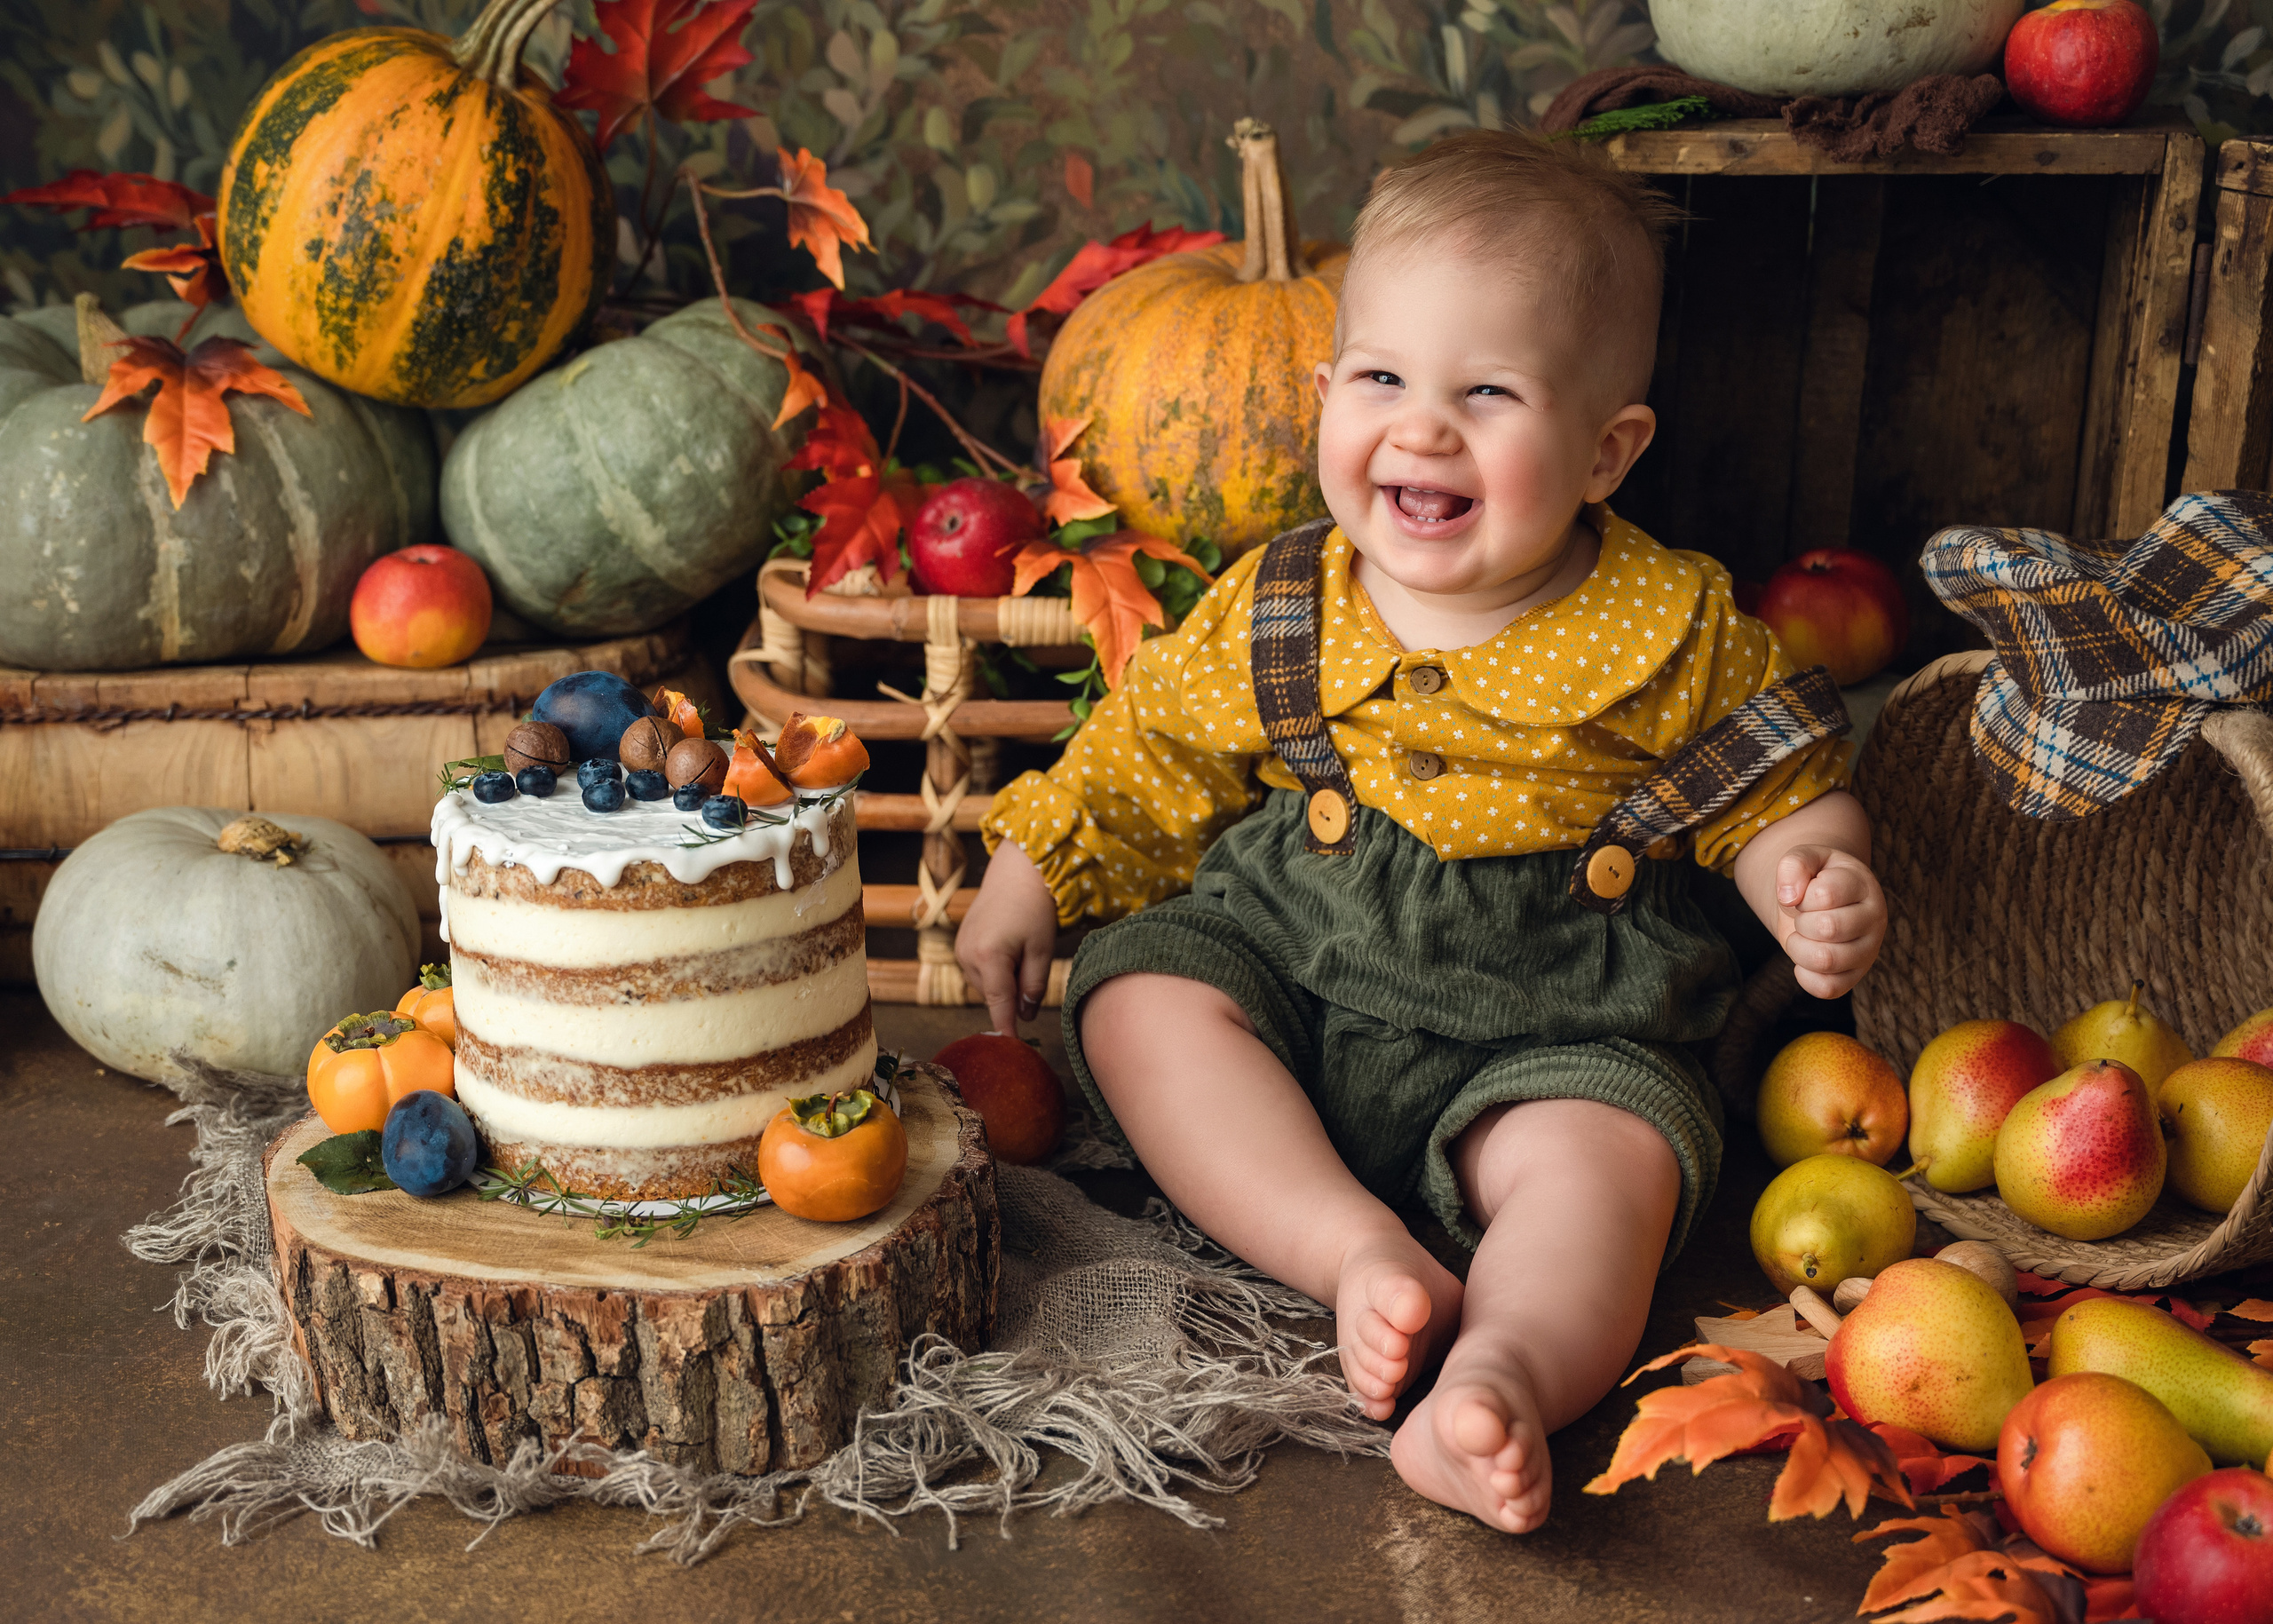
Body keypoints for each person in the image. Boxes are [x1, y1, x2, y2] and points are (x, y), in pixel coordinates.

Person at [956, 128, 1888, 1533]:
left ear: (1605, 450)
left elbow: (1775, 778)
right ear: (1327, 393)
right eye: (1383, 378)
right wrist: (1032, 871)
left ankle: (1503, 1370)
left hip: (1555, 1025)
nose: (1423, 427)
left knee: (1611, 1167)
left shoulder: (1671, 624)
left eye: (1490, 392)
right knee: (1140, 994)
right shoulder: (1283, 598)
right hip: (1296, 980)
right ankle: (1354, 1253)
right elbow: (1145, 758)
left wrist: (1811, 874)